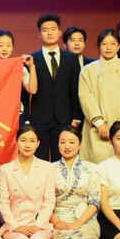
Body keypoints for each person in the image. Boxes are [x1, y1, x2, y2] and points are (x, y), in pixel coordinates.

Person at [78, 29, 120, 163]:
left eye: (113, 44)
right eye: (104, 44)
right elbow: (85, 97)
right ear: (99, 46)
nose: (108, 47)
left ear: (119, 46)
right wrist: (99, 123)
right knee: (98, 165)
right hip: (98, 128)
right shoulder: (87, 70)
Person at [28, 13, 83, 162]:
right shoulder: (32, 59)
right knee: (40, 161)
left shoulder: (71, 59)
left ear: (59, 32)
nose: (49, 33)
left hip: (65, 119)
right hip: (39, 119)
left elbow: (76, 90)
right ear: (39, 34)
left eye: (53, 29)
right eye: (45, 30)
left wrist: (76, 119)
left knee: (63, 161)